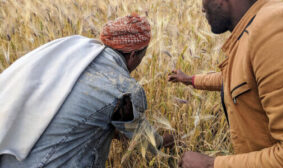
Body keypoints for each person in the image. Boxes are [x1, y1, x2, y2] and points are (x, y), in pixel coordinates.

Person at [0, 14, 173, 168]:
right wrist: (163, 141)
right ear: (134, 55)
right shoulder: (123, 89)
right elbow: (145, 142)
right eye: (142, 58)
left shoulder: (73, 53)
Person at [169, 0, 283, 167]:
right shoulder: (253, 29)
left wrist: (211, 164)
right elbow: (240, 77)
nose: (202, 8)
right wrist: (190, 80)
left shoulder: (274, 27)